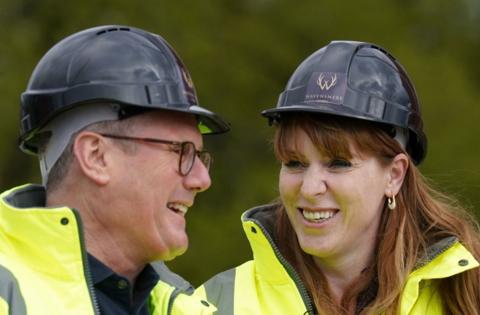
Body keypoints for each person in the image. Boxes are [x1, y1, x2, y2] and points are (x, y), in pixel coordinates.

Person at [196, 41, 480, 314]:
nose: (310, 188)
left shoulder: (466, 292)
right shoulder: (212, 305)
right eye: (295, 163)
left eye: (338, 164)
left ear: (394, 175)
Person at [0, 25, 229, 314]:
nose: (202, 179)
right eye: (179, 151)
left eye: (198, 155)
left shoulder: (191, 308)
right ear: (96, 156)